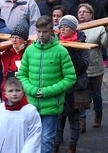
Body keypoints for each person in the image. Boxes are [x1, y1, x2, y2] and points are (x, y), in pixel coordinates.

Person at [18, 15, 76, 153]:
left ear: (52, 32)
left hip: (51, 105)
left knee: (47, 139)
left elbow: (70, 78)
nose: (41, 35)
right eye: (38, 31)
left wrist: (47, 91)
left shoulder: (61, 51)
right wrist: (31, 90)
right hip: (31, 104)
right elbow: (21, 75)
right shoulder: (29, 50)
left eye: (44, 32)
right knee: (30, 139)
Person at [53, 15, 89, 153]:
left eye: (66, 27)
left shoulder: (82, 44)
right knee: (58, 117)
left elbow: (83, 67)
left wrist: (71, 52)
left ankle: (72, 146)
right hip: (59, 85)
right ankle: (56, 144)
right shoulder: (55, 43)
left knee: (74, 118)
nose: (62, 29)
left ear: (73, 29)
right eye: (61, 27)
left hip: (76, 86)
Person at [77, 4, 108, 129]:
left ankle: (98, 114)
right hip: (80, 67)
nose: (81, 14)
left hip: (95, 66)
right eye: (80, 11)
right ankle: (81, 119)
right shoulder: (74, 27)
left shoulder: (99, 28)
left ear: (91, 14)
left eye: (85, 12)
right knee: (80, 93)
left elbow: (106, 44)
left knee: (96, 94)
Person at [0, 77, 42, 153]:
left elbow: (34, 136)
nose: (14, 94)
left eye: (17, 90)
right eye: (10, 91)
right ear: (5, 94)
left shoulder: (30, 111)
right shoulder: (0, 109)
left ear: (23, 93)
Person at [0, 25, 29, 99]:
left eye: (18, 38)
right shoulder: (7, 51)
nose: (14, 40)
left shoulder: (29, 52)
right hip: (7, 91)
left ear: (24, 41)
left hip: (23, 92)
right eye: (13, 37)